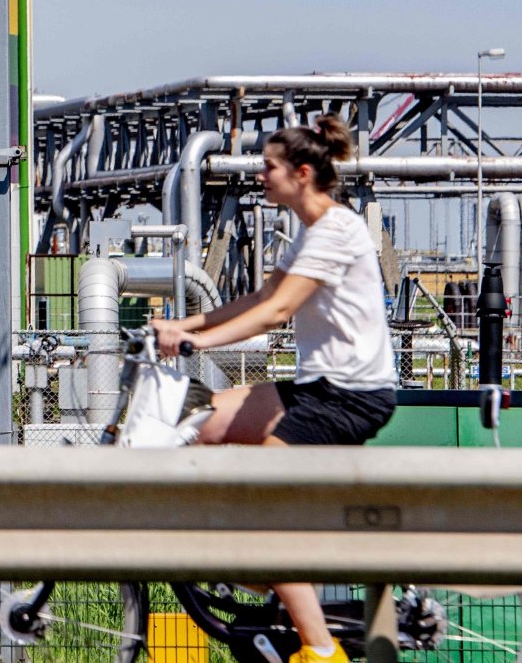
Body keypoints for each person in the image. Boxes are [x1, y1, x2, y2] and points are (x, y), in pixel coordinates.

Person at [150, 115, 396, 663]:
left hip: (349, 398)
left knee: (264, 508)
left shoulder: (337, 231)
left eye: (269, 167)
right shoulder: (310, 230)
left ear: (302, 174)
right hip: (317, 388)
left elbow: (276, 314)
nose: (260, 176)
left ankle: (319, 648)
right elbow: (262, 296)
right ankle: (262, 573)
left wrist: (199, 347)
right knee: (203, 422)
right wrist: (184, 326)